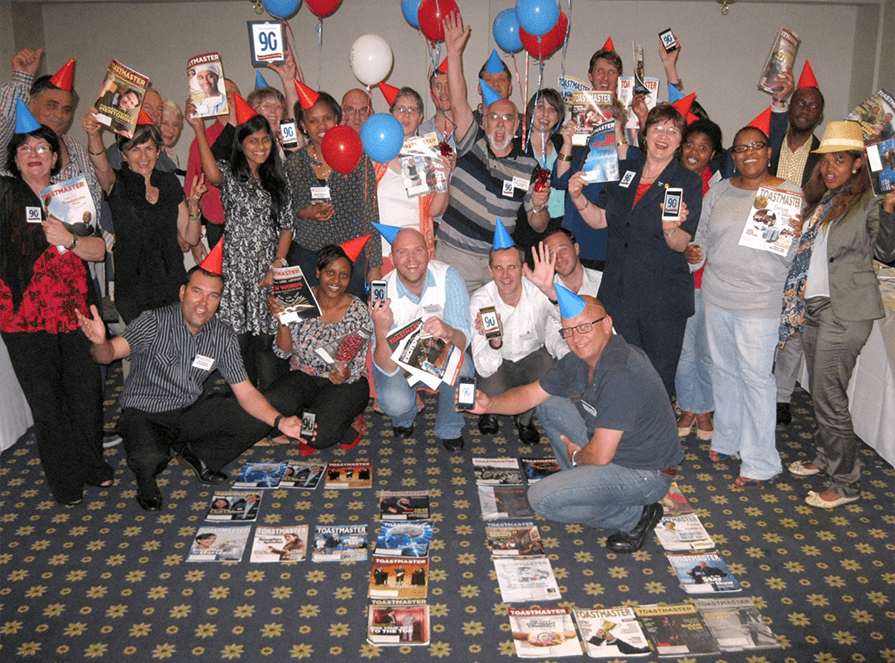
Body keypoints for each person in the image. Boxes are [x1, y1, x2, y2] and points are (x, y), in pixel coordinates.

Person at [467, 290, 683, 554]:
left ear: (607, 324)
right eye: (568, 331)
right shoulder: (579, 360)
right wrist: (490, 403)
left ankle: (635, 515)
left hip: (645, 473)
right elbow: (531, 394)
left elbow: (601, 454)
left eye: (583, 327)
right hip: (616, 447)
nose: (576, 338)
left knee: (541, 500)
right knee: (549, 405)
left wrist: (578, 456)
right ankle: (585, 484)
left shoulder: (621, 372)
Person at [75, 265, 305, 512]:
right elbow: (108, 354)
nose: (203, 303)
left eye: (213, 295)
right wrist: (100, 343)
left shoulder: (222, 335)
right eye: (197, 291)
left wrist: (280, 422)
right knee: (151, 458)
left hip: (188, 411)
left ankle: (199, 455)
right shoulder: (153, 321)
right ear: (182, 292)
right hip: (145, 412)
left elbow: (246, 392)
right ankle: (145, 480)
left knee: (261, 418)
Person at [780, 121, 895, 508]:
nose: (830, 167)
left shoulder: (870, 201)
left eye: (839, 160)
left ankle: (846, 482)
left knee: (828, 395)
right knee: (821, 390)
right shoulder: (830, 200)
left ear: (859, 163)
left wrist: (893, 210)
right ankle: (826, 457)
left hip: (845, 310)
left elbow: (887, 251)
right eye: (826, 161)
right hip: (815, 307)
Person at [0, 116, 113, 506]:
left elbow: (98, 250)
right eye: (25, 148)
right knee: (47, 403)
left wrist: (68, 240)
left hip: (75, 310)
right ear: (14, 158)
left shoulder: (71, 195)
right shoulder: (4, 193)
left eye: (42, 148)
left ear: (54, 157)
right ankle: (65, 480)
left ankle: (91, 464)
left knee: (85, 394)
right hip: (23, 316)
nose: (34, 155)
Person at [567, 104, 702, 399]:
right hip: (619, 293)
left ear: (680, 141)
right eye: (657, 128)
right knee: (618, 370)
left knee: (657, 376)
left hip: (661, 299)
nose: (663, 135)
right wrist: (578, 199)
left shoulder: (688, 182)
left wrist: (670, 227)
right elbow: (602, 219)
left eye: (672, 130)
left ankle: (653, 441)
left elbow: (681, 243)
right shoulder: (624, 171)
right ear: (644, 133)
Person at [692, 125, 801, 488]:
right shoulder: (719, 190)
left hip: (760, 301)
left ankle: (761, 460)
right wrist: (696, 253)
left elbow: (793, 254)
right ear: (733, 156)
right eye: (740, 148)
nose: (748, 153)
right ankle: (728, 439)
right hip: (717, 294)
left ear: (769, 152)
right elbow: (703, 236)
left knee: (756, 379)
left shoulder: (787, 193)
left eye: (756, 146)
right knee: (723, 370)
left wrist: (795, 234)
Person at [436, 13, 550, 293]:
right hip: (454, 256)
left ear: (517, 124)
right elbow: (459, 99)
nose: (500, 123)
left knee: (492, 332)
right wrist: (453, 51)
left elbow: (538, 225)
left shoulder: (528, 165)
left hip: (497, 265)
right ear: (484, 120)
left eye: (508, 118)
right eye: (494, 117)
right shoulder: (471, 140)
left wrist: (538, 205)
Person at [186, 96, 293, 391]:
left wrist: (278, 265)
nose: (260, 146)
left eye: (265, 140)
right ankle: (245, 411)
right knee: (239, 343)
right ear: (241, 144)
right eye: (253, 141)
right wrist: (197, 128)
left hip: (266, 269)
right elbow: (210, 174)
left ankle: (269, 408)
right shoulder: (231, 174)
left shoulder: (279, 180)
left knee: (267, 343)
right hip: (234, 271)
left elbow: (287, 227)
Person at [84, 111, 202, 324]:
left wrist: (193, 209)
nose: (144, 157)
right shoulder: (116, 182)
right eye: (135, 150)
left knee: (175, 350)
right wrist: (93, 134)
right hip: (133, 289)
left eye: (149, 148)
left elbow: (191, 238)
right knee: (145, 352)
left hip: (172, 283)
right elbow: (99, 163)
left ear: (158, 151)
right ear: (123, 154)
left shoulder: (169, 182)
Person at [370, 227, 473, 452]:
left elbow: (463, 342)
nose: (412, 259)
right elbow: (386, 368)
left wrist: (448, 331)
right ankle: (404, 417)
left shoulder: (449, 278)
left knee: (464, 367)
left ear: (429, 253)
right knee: (397, 403)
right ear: (392, 259)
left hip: (435, 354)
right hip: (395, 363)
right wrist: (381, 330)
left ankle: (449, 426)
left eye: (418, 250)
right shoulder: (382, 292)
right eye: (403, 252)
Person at [265, 243, 372, 452]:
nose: (336, 281)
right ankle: (317, 414)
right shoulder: (300, 300)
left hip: (344, 385)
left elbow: (357, 365)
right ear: (317, 272)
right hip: (304, 378)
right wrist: (282, 320)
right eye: (330, 272)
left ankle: (348, 423)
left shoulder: (358, 310)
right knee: (269, 407)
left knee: (315, 437)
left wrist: (344, 374)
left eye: (344, 275)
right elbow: (283, 352)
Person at [767, 66, 826, 426]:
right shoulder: (767, 140)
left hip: (803, 249)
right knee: (760, 318)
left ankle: (782, 395)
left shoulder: (826, 156)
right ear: (791, 107)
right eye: (799, 102)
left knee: (793, 324)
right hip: (764, 240)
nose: (805, 109)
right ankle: (758, 384)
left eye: (813, 105)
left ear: (820, 114)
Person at [469, 228, 565, 444]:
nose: (505, 275)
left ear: (523, 269)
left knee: (548, 370)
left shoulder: (539, 289)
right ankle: (490, 411)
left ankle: (524, 419)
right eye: (499, 268)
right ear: (490, 271)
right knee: (490, 385)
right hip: (498, 359)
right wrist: (495, 341)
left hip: (531, 356)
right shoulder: (481, 301)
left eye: (512, 267)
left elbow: (568, 320)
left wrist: (551, 292)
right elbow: (484, 366)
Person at [285, 91, 382, 297]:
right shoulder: (294, 164)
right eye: (313, 121)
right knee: (302, 321)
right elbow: (287, 215)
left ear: (336, 119)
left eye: (327, 118)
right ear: (303, 125)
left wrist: (374, 265)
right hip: (306, 255)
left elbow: (370, 214)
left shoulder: (357, 159)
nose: (321, 126)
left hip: (348, 254)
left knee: (350, 321)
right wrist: (306, 212)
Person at [0, 49, 102, 212]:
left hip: (75, 237)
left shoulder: (76, 149)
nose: (60, 115)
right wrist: (22, 78)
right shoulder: (13, 144)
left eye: (67, 109)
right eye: (51, 105)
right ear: (32, 103)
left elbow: (94, 205)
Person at [675, 119, 723, 441]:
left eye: (703, 148)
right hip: (674, 281)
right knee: (682, 350)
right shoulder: (668, 181)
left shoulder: (720, 188)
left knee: (706, 350)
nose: (695, 152)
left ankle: (704, 407)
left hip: (711, 282)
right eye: (690, 145)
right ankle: (688, 406)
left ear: (713, 154)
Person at [375, 86, 455, 269]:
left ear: (420, 117)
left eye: (412, 110)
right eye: (401, 109)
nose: (406, 115)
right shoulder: (376, 154)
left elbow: (435, 211)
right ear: (391, 114)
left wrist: (444, 177)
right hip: (381, 252)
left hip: (416, 253)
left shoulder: (423, 155)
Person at [184, 78, 241, 262]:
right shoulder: (202, 138)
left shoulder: (252, 135)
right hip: (218, 230)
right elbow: (191, 193)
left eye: (235, 93)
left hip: (252, 228)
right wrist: (195, 242)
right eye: (226, 93)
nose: (231, 98)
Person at [514, 88, 565, 264]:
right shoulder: (517, 146)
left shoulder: (563, 144)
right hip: (526, 225)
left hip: (561, 224)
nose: (545, 114)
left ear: (559, 117)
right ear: (530, 110)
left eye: (552, 110)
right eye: (540, 107)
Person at [525, 228, 604, 300]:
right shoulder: (544, 290)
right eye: (552, 254)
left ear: (576, 248)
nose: (559, 258)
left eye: (563, 250)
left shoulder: (603, 281)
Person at [418, 64, 456, 152]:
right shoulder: (420, 133)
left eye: (448, 86)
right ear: (431, 94)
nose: (443, 91)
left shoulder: (468, 131)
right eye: (437, 86)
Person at [159, 100, 184, 169]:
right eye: (165, 123)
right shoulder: (146, 155)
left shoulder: (172, 156)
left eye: (176, 125)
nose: (171, 130)